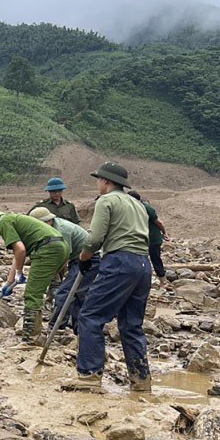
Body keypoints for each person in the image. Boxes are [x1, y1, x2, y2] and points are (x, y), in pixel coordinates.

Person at [63, 162, 152, 393]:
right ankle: (141, 380)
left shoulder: (106, 200)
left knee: (91, 315)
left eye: (98, 179)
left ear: (105, 181)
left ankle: (89, 375)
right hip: (142, 264)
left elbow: (94, 239)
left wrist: (83, 258)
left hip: (119, 261)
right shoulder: (138, 204)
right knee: (131, 325)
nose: (97, 183)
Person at [0, 206, 68, 345]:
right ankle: (40, 331)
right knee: (39, 290)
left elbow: (20, 251)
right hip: (60, 248)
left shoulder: (4, 222)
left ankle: (31, 339)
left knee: (32, 294)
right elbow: (16, 254)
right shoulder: (13, 220)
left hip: (47, 249)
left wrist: (19, 273)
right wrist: (9, 281)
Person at [29, 207, 100, 333]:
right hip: (78, 258)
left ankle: (57, 326)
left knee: (66, 292)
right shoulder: (51, 228)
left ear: (48, 221)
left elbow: (63, 257)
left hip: (88, 259)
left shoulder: (61, 231)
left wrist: (55, 276)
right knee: (78, 292)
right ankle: (78, 327)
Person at [129, 191, 171, 289]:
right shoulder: (133, 208)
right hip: (141, 238)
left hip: (153, 238)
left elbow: (159, 222)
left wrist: (164, 233)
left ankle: (163, 281)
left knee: (155, 259)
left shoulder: (146, 207)